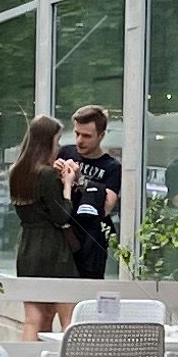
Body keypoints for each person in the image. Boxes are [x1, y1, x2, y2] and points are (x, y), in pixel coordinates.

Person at [9, 114, 79, 342]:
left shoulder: (17, 172)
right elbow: (62, 216)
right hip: (53, 250)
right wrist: (67, 186)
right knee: (69, 317)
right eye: (57, 141)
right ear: (46, 142)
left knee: (33, 318)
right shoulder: (46, 174)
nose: (58, 147)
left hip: (27, 248)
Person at [58, 106, 121, 280]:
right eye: (77, 134)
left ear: (101, 136)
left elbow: (107, 207)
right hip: (64, 234)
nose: (80, 141)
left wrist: (80, 181)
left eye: (87, 136)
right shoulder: (65, 153)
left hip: (91, 239)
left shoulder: (111, 167)